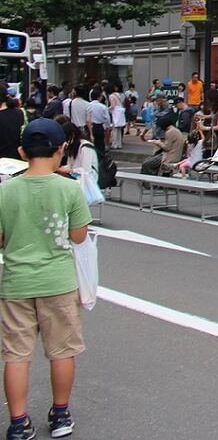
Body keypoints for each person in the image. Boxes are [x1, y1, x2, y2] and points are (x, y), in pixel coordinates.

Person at [0, 119, 91, 440]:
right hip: (58, 283)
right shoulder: (69, 188)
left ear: (22, 151)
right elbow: (79, 236)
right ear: (61, 150)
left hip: (15, 284)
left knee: (15, 355)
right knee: (62, 351)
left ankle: (18, 422)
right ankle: (61, 415)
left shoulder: (5, 190)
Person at [87, 91, 109, 159]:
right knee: (100, 144)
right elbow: (107, 118)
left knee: (91, 145)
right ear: (99, 97)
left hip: (90, 126)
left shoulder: (88, 105)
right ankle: (101, 159)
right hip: (99, 126)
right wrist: (107, 126)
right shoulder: (103, 107)